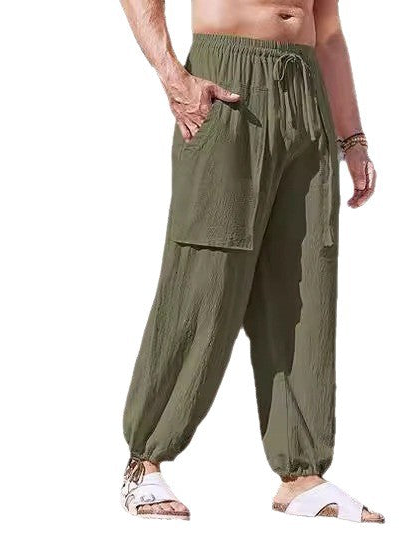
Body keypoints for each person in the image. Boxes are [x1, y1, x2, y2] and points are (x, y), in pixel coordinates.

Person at [119, 0, 381, 523]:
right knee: (205, 278)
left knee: (304, 279)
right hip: (228, 84)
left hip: (305, 89)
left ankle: (301, 476)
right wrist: (174, 78)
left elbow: (328, 30)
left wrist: (352, 138)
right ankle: (145, 461)